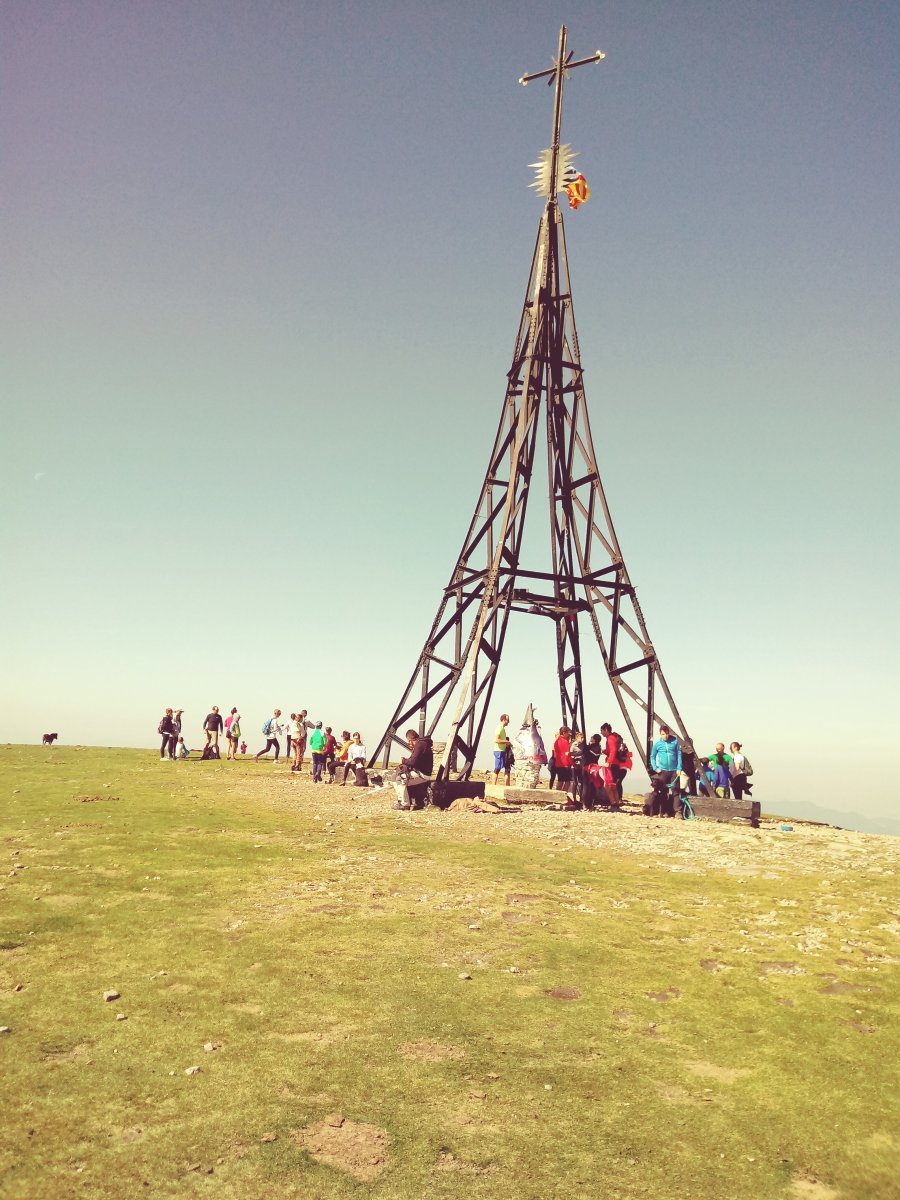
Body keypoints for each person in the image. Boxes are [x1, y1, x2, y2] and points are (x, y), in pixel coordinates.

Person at [394, 728, 434, 811]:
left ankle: (404, 804)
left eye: (409, 741)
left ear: (410, 739)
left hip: (422, 774)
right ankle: (404, 802)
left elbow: (412, 762)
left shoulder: (419, 745)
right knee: (399, 777)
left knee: (398, 778)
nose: (409, 743)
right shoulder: (423, 744)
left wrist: (404, 761)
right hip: (423, 772)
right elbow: (415, 761)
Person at [648, 725, 682, 817]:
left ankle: (678, 812)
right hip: (663, 771)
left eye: (667, 733)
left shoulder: (675, 742)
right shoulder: (657, 744)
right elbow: (652, 757)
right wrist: (656, 768)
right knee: (663, 792)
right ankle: (663, 811)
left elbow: (679, 755)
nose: (665, 736)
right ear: (660, 734)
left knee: (675, 791)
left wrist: (679, 768)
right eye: (663, 734)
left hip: (674, 770)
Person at [600, 722, 632, 810]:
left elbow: (613, 750)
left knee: (608, 784)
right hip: (616, 763)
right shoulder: (614, 737)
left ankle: (613, 803)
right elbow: (611, 750)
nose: (601, 733)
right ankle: (616, 803)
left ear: (606, 730)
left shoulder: (610, 738)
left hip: (612, 763)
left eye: (602, 730)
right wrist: (605, 751)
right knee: (613, 784)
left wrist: (608, 762)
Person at [492, 714, 512, 785]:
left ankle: (507, 785)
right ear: (504, 720)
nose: (508, 722)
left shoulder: (502, 728)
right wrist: (507, 742)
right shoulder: (499, 728)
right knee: (497, 768)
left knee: (507, 768)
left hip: (503, 751)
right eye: (508, 720)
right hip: (499, 751)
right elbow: (496, 740)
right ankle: (493, 785)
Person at [552, 727, 572, 792]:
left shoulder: (557, 741)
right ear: (564, 733)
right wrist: (571, 763)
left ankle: (556, 796)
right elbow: (567, 754)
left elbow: (555, 755)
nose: (569, 734)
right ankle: (563, 795)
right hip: (565, 764)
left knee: (560, 781)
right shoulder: (565, 742)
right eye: (568, 733)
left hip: (558, 763)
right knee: (567, 782)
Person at [569, 730, 586, 807]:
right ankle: (574, 798)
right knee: (575, 782)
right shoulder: (573, 745)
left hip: (581, 765)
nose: (582, 739)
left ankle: (581, 799)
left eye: (583, 738)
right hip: (574, 766)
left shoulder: (583, 746)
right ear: (577, 738)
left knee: (581, 782)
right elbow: (570, 755)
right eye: (581, 738)